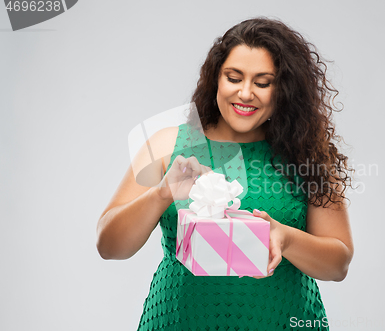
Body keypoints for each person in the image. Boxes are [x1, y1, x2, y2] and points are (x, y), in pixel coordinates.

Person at [96, 17, 354, 330]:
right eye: (234, 78)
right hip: (178, 322)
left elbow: (338, 263)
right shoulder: (167, 144)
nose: (245, 93)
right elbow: (109, 246)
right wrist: (162, 192)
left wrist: (286, 239)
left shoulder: (307, 155)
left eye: (262, 83)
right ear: (216, 78)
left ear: (283, 90)